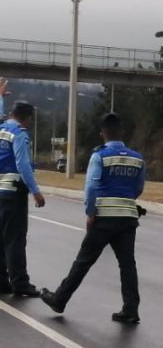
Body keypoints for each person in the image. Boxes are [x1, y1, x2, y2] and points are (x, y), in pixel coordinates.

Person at [41, 113, 145, 323]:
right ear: (122, 132)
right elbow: (138, 188)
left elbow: (91, 188)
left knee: (83, 261)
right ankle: (131, 310)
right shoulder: (137, 158)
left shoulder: (99, 156)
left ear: (102, 134)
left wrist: (90, 213)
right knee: (127, 264)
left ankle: (59, 299)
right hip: (127, 218)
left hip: (103, 218)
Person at [0, 83, 45, 297]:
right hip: (13, 193)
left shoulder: (1, 130)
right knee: (15, 240)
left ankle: (2, 281)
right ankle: (20, 283)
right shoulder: (19, 134)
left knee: (0, 240)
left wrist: (0, 98)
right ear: (26, 118)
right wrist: (35, 191)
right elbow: (23, 164)